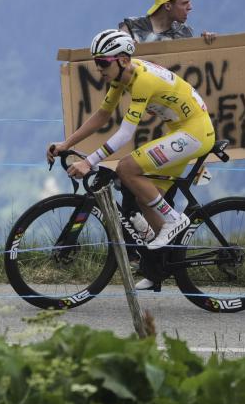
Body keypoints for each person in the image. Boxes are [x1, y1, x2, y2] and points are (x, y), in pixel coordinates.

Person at [48, 29, 217, 250]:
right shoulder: (122, 76)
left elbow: (126, 134)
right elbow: (102, 115)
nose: (99, 68)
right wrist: (66, 144)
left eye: (103, 62)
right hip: (181, 130)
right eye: (96, 62)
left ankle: (174, 219)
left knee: (126, 168)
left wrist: (89, 162)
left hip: (195, 133)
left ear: (122, 60)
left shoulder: (143, 81)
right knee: (145, 198)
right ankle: (163, 260)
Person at [119, 0, 217, 45]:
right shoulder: (131, 27)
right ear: (168, 6)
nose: (190, 7)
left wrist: (205, 44)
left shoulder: (185, 32)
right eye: (184, 3)